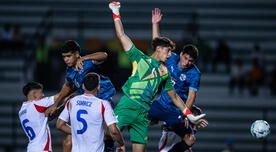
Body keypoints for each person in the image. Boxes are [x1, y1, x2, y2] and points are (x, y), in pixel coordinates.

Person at [109, 2, 206, 152]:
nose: (169, 55)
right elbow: (121, 35)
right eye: (167, 52)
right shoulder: (139, 58)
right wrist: (116, 13)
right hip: (129, 104)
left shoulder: (164, 72)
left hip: (143, 113)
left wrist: (188, 114)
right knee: (107, 138)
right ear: (159, 50)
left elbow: (174, 97)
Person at [149, 8, 208, 152]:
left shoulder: (195, 74)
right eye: (185, 58)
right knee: (139, 117)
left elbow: (191, 96)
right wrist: (155, 24)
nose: (186, 62)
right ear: (181, 54)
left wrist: (185, 114)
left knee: (190, 140)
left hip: (176, 110)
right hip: (161, 103)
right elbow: (159, 47)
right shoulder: (172, 59)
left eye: (190, 61)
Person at [45, 40, 116, 152]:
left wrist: (83, 58)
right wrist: (56, 103)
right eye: (64, 57)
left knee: (105, 135)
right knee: (68, 143)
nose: (66, 59)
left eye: (68, 56)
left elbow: (104, 55)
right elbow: (68, 86)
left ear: (77, 54)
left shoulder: (86, 62)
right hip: (87, 105)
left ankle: (110, 146)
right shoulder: (70, 71)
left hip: (102, 101)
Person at [56, 73, 125, 152]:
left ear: (83, 86)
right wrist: (121, 144)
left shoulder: (72, 101)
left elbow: (60, 125)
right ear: (98, 87)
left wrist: (78, 132)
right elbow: (114, 131)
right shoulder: (103, 104)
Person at [18, 82, 60, 152]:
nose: (43, 95)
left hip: (31, 148)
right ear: (34, 93)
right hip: (41, 148)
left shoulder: (21, 111)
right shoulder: (36, 104)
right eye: (41, 92)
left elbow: (47, 117)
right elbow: (59, 96)